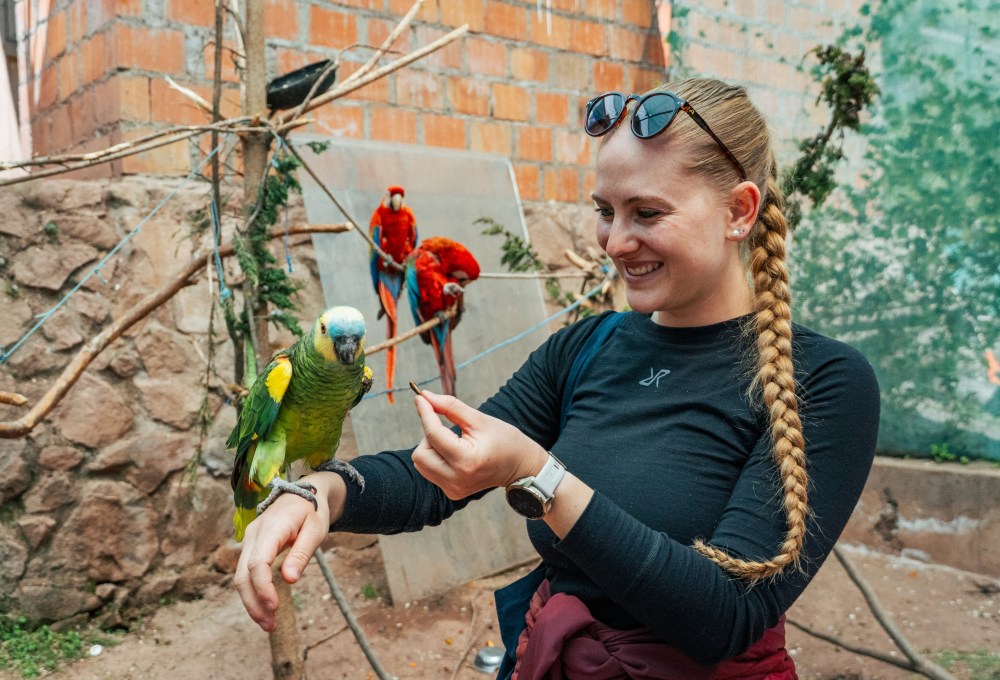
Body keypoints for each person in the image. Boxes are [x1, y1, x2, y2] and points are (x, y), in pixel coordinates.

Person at [234, 78, 880, 679]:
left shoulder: (823, 382)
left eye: (647, 214)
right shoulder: (588, 347)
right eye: (606, 210)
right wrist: (322, 491)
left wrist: (540, 477)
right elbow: (440, 472)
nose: (614, 241)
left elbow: (722, 617)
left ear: (740, 211)